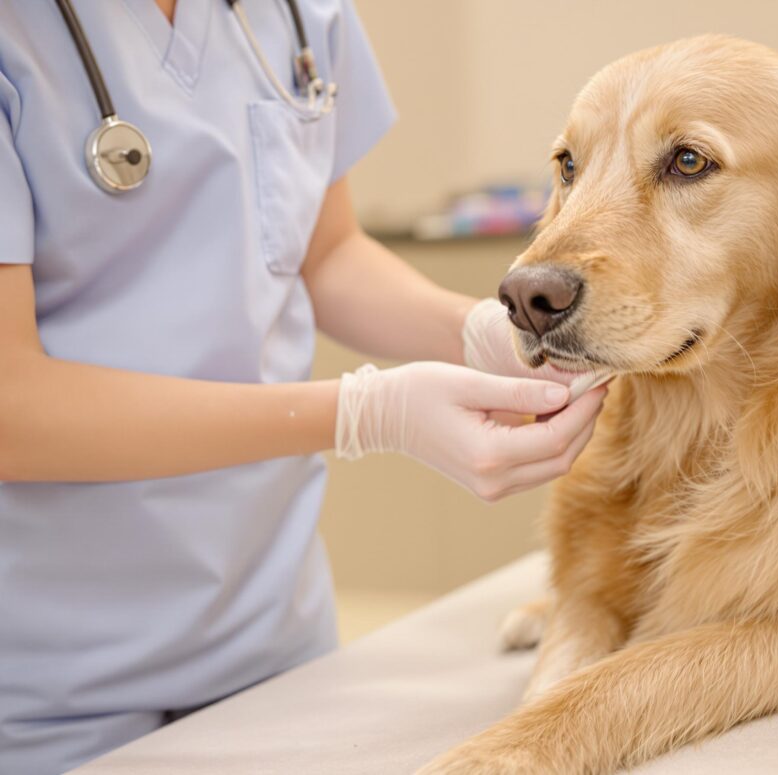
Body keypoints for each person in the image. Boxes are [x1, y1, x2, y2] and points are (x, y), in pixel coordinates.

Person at [0, 2, 606, 772]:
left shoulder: (298, 13)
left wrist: (471, 329)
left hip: (273, 632)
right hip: (49, 682)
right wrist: (363, 412)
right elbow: (11, 411)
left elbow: (326, 254)